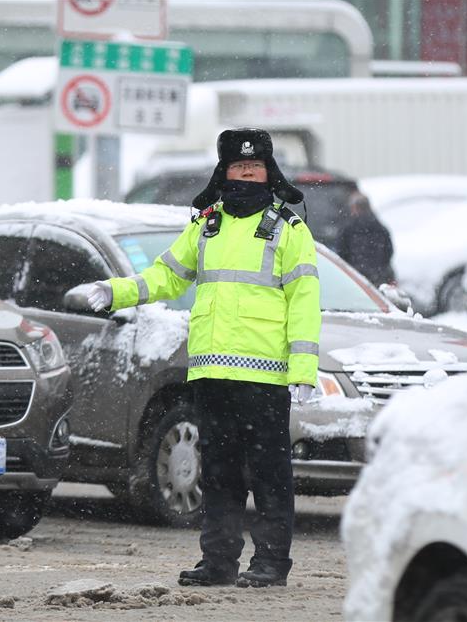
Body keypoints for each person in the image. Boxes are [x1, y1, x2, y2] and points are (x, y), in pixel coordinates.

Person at [85, 128, 321, 589]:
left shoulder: (288, 229)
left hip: (266, 377)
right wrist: (114, 292)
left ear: (269, 172)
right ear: (224, 171)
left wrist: (303, 367)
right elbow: (166, 278)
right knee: (219, 475)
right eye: (238, 167)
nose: (246, 174)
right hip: (212, 373)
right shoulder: (206, 225)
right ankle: (219, 563)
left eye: (254, 168)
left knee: (270, 476)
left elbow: (305, 302)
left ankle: (271, 564)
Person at [336, 192, 395, 287]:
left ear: (354, 208)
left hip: (355, 277)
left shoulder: (348, 228)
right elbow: (389, 252)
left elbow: (341, 253)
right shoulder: (381, 228)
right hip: (378, 277)